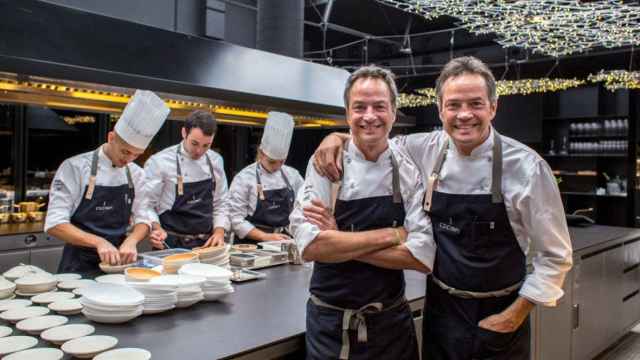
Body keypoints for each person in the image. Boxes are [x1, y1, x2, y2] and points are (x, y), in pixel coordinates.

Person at [311, 56, 573, 359]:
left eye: (475, 104)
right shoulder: (425, 148)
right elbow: (373, 139)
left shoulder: (527, 167)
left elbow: (555, 257)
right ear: (440, 110)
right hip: (442, 313)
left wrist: (513, 316)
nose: (464, 115)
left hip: (500, 311)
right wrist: (336, 137)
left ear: (493, 107)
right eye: (454, 105)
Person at [289, 65, 435, 360]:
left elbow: (421, 257)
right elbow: (312, 246)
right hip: (331, 325)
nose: (369, 116)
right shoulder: (325, 165)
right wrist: (394, 235)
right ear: (347, 114)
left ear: (394, 112)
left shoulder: (407, 167)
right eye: (359, 107)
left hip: (391, 326)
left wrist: (338, 240)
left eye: (379, 106)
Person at [45, 90, 169, 276]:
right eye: (125, 152)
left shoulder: (136, 174)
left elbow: (143, 217)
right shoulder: (74, 168)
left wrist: (132, 240)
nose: (129, 159)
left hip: (119, 265)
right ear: (111, 138)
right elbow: (55, 224)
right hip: (78, 267)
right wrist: (98, 242)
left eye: (136, 154)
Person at [144, 110, 229, 249]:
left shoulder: (216, 161)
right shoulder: (159, 162)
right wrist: (156, 228)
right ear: (184, 133)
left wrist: (219, 231)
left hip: (206, 245)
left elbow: (221, 202)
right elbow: (147, 204)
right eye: (194, 143)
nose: (199, 151)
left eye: (206, 146)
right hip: (171, 244)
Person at [228, 112, 304, 244]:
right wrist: (265, 237)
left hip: (283, 241)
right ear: (260, 153)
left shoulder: (293, 176)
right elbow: (235, 219)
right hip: (252, 245)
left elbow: (303, 207)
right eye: (272, 162)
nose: (277, 166)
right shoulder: (244, 178)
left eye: (282, 161)